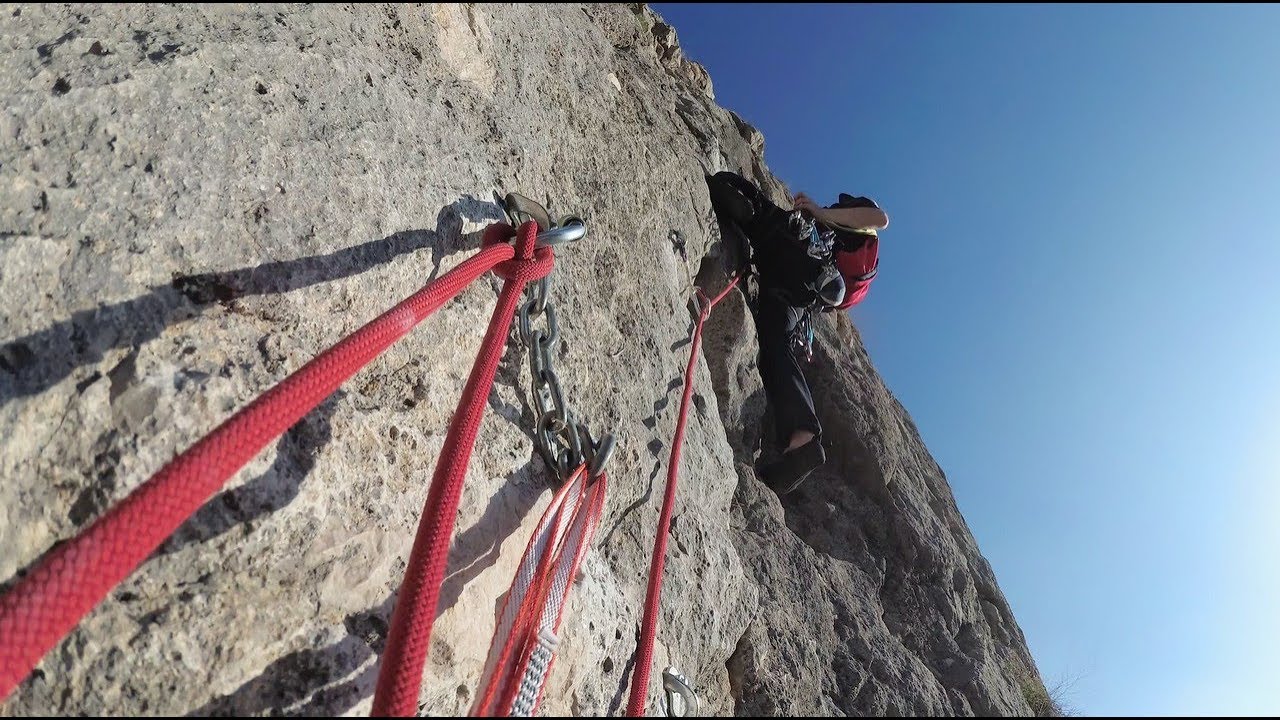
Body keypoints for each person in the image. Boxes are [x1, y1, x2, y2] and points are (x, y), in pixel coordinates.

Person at [706, 171, 888, 494]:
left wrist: (818, 213)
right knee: (775, 345)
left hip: (799, 257)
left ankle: (749, 211)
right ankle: (803, 439)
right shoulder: (852, 258)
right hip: (800, 292)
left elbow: (880, 218)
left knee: (748, 205)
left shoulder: (853, 221)